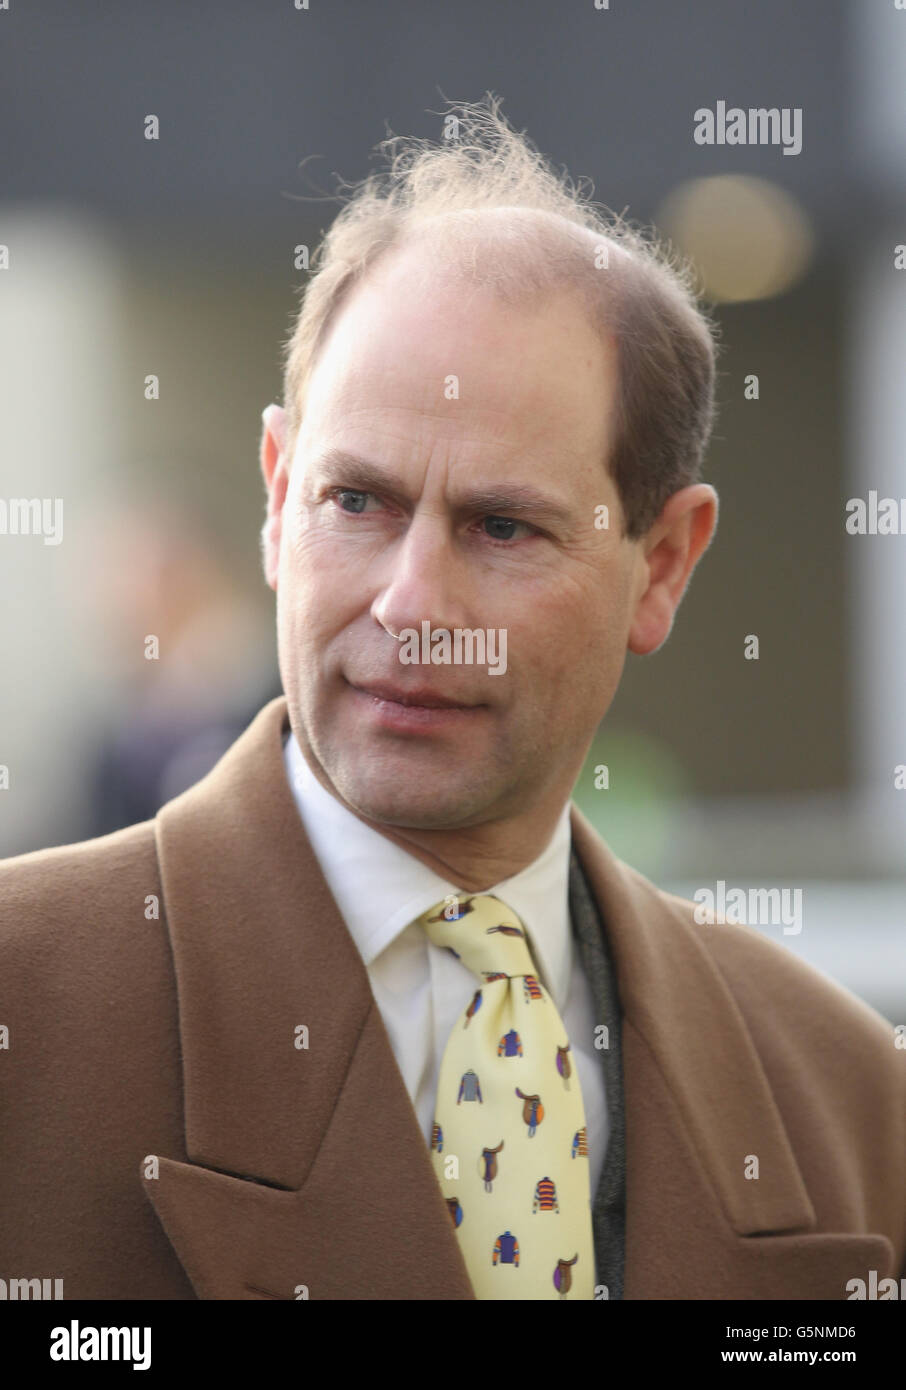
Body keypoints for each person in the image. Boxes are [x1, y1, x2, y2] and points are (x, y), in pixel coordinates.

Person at [1, 96, 902, 1301]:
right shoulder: (27, 1016)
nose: (411, 603)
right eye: (356, 502)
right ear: (277, 501)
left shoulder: (847, 1098)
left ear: (666, 565)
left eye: (502, 524)